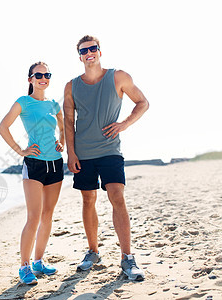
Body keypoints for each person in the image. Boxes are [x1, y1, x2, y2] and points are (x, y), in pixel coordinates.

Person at [63, 35, 149, 281]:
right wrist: (71, 152)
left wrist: (124, 124)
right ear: (79, 56)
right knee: (88, 199)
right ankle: (93, 251)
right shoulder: (71, 86)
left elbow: (143, 103)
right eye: (84, 50)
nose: (89, 53)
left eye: (93, 48)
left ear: (100, 51)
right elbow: (68, 121)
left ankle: (127, 258)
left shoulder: (118, 77)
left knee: (117, 196)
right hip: (83, 153)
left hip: (111, 149)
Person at [0, 62, 65, 285]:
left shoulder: (54, 104)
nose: (43, 78)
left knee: (47, 216)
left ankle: (38, 261)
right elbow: (2, 127)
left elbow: (64, 128)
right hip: (34, 164)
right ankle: (24, 266)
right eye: (39, 75)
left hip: (55, 164)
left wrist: (61, 143)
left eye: (47, 74)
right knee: (34, 217)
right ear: (30, 79)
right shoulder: (23, 102)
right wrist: (20, 151)